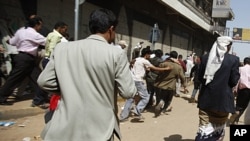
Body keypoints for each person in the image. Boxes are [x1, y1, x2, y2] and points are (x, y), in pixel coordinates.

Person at [37, 8, 137, 141]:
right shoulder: (116, 54)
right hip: (100, 130)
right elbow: (128, 92)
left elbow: (44, 81)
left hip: (64, 129)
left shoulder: (62, 49)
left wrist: (68, 88)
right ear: (111, 29)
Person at [195, 36, 240, 141]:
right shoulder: (233, 59)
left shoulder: (205, 57)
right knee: (218, 129)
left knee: (203, 128)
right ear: (228, 47)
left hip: (206, 99)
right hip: (223, 102)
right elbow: (234, 81)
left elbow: (200, 78)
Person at [0, 16, 47, 105]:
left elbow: (12, 42)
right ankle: (1, 97)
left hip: (23, 58)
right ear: (37, 25)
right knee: (14, 79)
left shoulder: (21, 31)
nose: (41, 28)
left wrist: (8, 42)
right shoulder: (34, 34)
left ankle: (41, 98)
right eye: (40, 25)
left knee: (37, 78)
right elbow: (46, 42)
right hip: (26, 59)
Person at [119, 47, 171, 122]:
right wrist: (166, 69)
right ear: (146, 55)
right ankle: (137, 110)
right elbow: (155, 68)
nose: (149, 56)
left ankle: (123, 116)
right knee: (146, 97)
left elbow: (132, 63)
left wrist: (140, 68)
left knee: (130, 98)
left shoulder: (136, 59)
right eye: (149, 55)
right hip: (138, 81)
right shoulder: (144, 61)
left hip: (132, 80)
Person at [154, 51, 187, 117]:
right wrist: (184, 86)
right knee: (168, 99)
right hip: (170, 86)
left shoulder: (163, 64)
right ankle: (163, 109)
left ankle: (160, 102)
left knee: (161, 96)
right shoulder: (178, 67)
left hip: (160, 84)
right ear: (176, 57)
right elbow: (182, 77)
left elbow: (157, 71)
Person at [229, 57, 250, 124]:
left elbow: (237, 80)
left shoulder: (240, 69)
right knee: (245, 106)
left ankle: (235, 118)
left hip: (243, 90)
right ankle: (236, 118)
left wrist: (235, 89)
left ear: (244, 62)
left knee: (239, 105)